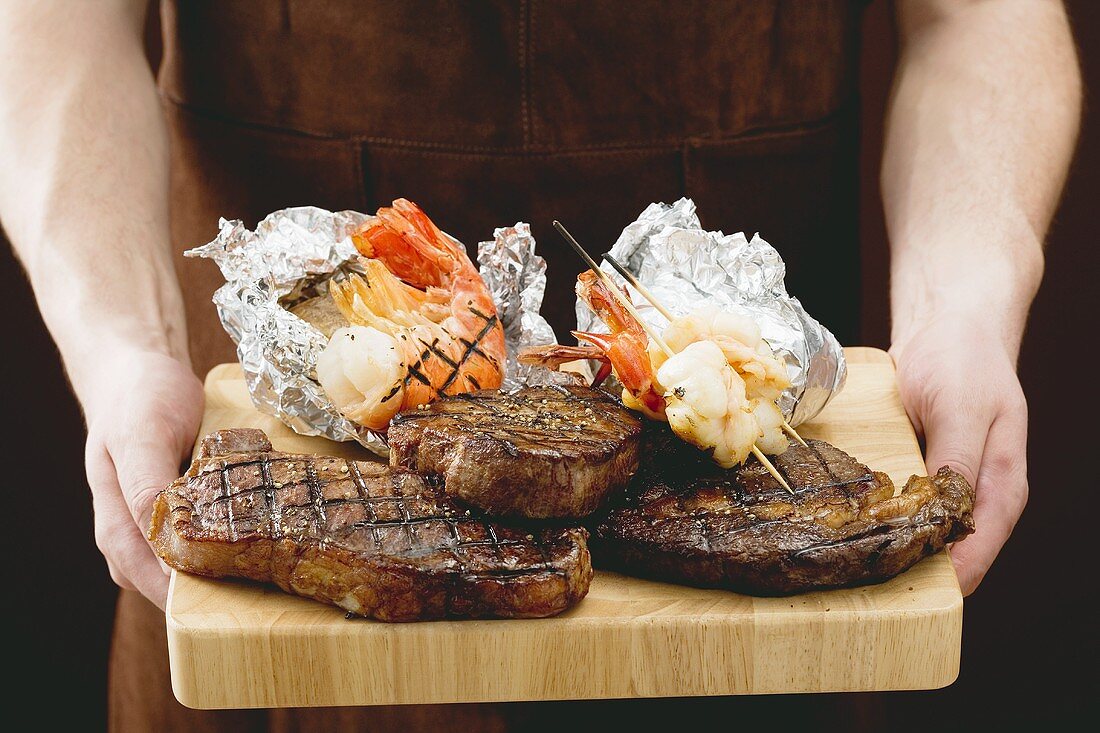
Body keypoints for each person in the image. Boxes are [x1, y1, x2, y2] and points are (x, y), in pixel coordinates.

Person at [0, 1, 1080, 731]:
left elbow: (978, 16)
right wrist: (124, 347)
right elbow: (55, 31)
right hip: (288, 551)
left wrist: (962, 306)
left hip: (764, 618)